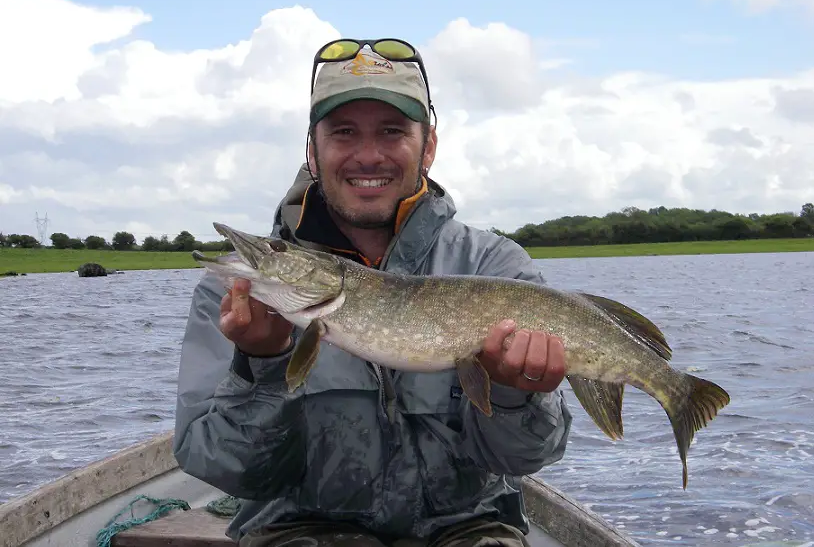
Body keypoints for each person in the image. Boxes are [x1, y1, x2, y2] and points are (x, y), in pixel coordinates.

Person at [174, 37, 574, 547]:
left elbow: (523, 459)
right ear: (312, 152)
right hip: (300, 530)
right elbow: (228, 470)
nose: (368, 155)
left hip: (467, 529)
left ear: (427, 146)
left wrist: (516, 393)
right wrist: (263, 364)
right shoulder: (241, 295)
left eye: (392, 132)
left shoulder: (494, 266)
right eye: (343, 132)